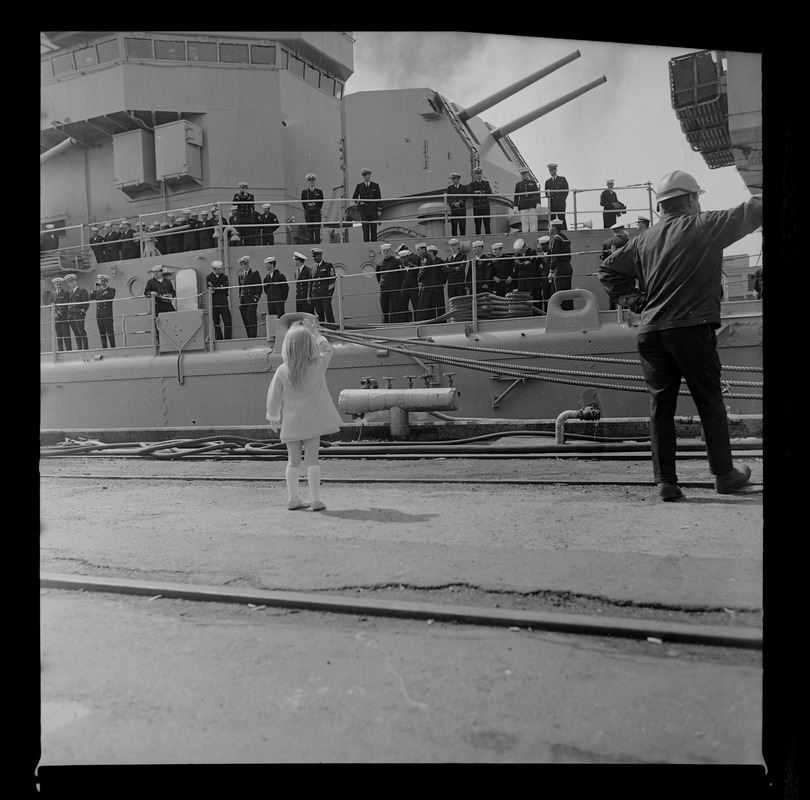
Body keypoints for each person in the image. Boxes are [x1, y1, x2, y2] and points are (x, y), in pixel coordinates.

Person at [597, 170, 763, 500]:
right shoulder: (705, 225)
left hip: (652, 334)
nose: (699, 203)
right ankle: (723, 475)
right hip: (690, 329)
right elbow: (752, 211)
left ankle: (666, 482)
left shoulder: (642, 240)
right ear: (689, 199)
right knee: (710, 402)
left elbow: (607, 270)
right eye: (697, 197)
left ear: (662, 205)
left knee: (661, 407)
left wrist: (638, 302)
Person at [265, 314, 343, 511]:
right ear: (309, 346)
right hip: (312, 423)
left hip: (292, 424)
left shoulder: (283, 371)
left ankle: (293, 498)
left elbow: (274, 396)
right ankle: (316, 499)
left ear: (287, 347)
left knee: (293, 462)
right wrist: (315, 333)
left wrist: (273, 417)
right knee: (312, 461)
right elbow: (327, 349)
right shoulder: (317, 366)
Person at [415, 242, 445, 321]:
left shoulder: (425, 257)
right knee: (430, 306)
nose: (417, 252)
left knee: (423, 306)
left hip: (426, 286)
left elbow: (424, 269)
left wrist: (418, 277)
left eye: (418, 250)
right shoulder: (427, 257)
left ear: (423, 249)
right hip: (429, 286)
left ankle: (422, 322)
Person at [374, 243, 403, 324]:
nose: (386, 252)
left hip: (394, 287)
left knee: (396, 306)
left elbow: (402, 274)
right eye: (384, 251)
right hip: (384, 288)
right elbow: (378, 276)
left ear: (390, 251)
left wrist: (398, 285)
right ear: (381, 252)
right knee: (384, 306)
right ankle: (386, 322)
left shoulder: (396, 262)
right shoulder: (379, 263)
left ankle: (398, 322)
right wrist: (382, 284)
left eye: (387, 250)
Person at [548, 219, 573, 310]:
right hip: (568, 267)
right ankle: (569, 311)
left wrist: (551, 271)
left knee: (559, 292)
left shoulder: (556, 239)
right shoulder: (565, 238)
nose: (549, 228)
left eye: (550, 226)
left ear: (554, 227)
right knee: (567, 292)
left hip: (560, 268)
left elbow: (555, 257)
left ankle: (561, 312)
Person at [352, 168, 382, 242]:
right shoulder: (359, 186)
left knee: (373, 229)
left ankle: (374, 243)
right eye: (363, 175)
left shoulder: (375, 186)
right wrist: (359, 202)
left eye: (365, 174)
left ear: (369, 175)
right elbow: (354, 197)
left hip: (373, 209)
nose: (364, 176)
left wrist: (379, 209)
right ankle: (366, 244)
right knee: (365, 229)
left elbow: (379, 198)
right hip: (364, 210)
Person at [237, 255, 262, 337]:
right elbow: (241, 287)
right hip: (244, 300)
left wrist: (256, 298)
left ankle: (253, 336)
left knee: (251, 318)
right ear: (241, 265)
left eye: (247, 263)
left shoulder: (254, 273)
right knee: (245, 319)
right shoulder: (240, 275)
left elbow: (259, 286)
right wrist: (240, 297)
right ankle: (249, 336)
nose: (246, 265)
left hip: (251, 299)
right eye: (244, 264)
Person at [206, 260, 232, 340]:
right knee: (215, 321)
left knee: (227, 320)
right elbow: (209, 289)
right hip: (214, 301)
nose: (221, 270)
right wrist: (218, 287)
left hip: (223, 299)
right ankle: (219, 337)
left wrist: (215, 287)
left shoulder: (224, 277)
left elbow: (225, 289)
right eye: (219, 269)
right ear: (214, 269)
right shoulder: (209, 277)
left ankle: (228, 338)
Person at [309, 248, 337, 324]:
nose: (314, 258)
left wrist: (329, 293)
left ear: (320, 255)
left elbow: (332, 280)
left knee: (328, 312)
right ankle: (322, 329)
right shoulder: (312, 268)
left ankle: (332, 328)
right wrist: (310, 295)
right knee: (319, 313)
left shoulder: (328, 266)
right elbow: (311, 282)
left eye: (315, 256)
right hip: (316, 294)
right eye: (313, 257)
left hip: (325, 293)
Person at [64, 273, 89, 350]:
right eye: (69, 282)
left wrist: (83, 311)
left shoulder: (82, 291)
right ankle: (79, 348)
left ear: (76, 281)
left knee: (81, 332)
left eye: (72, 281)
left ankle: (85, 349)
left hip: (78, 314)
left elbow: (86, 303)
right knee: (76, 333)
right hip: (71, 315)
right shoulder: (70, 293)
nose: (71, 283)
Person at [91, 273, 116, 348]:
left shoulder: (111, 290)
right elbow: (91, 297)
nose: (102, 283)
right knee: (102, 333)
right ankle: (104, 347)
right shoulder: (98, 291)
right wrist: (94, 289)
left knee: (110, 333)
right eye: (101, 282)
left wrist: (103, 289)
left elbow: (110, 297)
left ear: (106, 282)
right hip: (99, 315)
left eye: (103, 282)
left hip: (107, 315)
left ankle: (113, 347)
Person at [512, 167, 540, 233]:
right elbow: (516, 196)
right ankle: (525, 235)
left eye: (524, 174)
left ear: (527, 174)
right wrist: (515, 205)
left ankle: (533, 234)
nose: (523, 176)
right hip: (523, 206)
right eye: (522, 174)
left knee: (533, 221)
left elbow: (537, 194)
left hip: (532, 205)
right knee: (524, 222)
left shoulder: (532, 183)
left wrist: (538, 203)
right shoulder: (518, 185)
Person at [397, 245, 420, 322]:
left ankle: (418, 321)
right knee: (403, 306)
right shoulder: (400, 263)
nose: (402, 259)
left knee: (416, 305)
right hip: (404, 287)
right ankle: (405, 322)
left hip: (413, 286)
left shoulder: (415, 259)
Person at [263, 256, 289, 321]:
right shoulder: (266, 277)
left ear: (272, 264)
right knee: (272, 318)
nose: (265, 265)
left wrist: (283, 299)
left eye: (267, 264)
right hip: (270, 300)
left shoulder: (280, 276)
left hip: (279, 300)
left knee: (280, 318)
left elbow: (285, 288)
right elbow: (266, 289)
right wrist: (270, 295)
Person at [301, 173, 324, 245]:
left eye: (312, 180)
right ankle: (311, 244)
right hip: (309, 214)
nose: (311, 182)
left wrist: (316, 208)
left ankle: (318, 244)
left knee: (317, 230)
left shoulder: (319, 192)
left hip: (316, 213)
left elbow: (321, 202)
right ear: (307, 182)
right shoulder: (304, 192)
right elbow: (303, 203)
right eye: (309, 180)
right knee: (310, 230)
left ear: (315, 181)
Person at [545, 163, 569, 230]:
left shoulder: (562, 179)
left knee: (562, 218)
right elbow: (546, 193)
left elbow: (566, 190)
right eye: (550, 171)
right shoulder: (548, 182)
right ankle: (553, 231)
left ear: (556, 170)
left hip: (560, 203)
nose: (551, 172)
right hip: (552, 203)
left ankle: (564, 231)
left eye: (552, 170)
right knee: (552, 219)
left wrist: (562, 199)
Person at [469, 167, 493, 235]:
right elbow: (471, 193)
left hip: (485, 206)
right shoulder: (472, 184)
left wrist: (482, 192)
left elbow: (489, 191)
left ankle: (488, 238)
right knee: (478, 225)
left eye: (480, 173)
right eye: (477, 174)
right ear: (475, 175)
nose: (479, 175)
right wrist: (476, 193)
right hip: (477, 207)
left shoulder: (486, 183)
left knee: (487, 225)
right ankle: (478, 240)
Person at [51, 277, 72, 352]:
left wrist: (59, 313)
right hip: (56, 317)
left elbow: (66, 304)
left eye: (59, 284)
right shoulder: (52, 294)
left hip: (63, 316)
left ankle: (68, 350)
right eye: (57, 284)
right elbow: (52, 305)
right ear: (54, 285)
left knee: (66, 334)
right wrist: (53, 314)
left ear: (61, 285)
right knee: (58, 335)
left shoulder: (66, 293)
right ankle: (60, 350)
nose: (58, 286)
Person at [445, 172, 468, 236]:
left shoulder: (463, 187)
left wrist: (460, 202)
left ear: (458, 179)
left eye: (455, 178)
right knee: (454, 226)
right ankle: (454, 239)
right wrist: (453, 203)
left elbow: (465, 196)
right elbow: (448, 197)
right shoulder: (450, 188)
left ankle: (463, 238)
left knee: (462, 226)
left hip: (461, 209)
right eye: (453, 179)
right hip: (454, 210)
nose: (453, 180)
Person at [535, 235, 553, 311]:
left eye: (542, 245)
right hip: (545, 279)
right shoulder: (541, 257)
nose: (541, 247)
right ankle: (546, 312)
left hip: (552, 278)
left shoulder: (552, 254)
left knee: (552, 296)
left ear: (546, 245)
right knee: (546, 297)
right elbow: (537, 266)